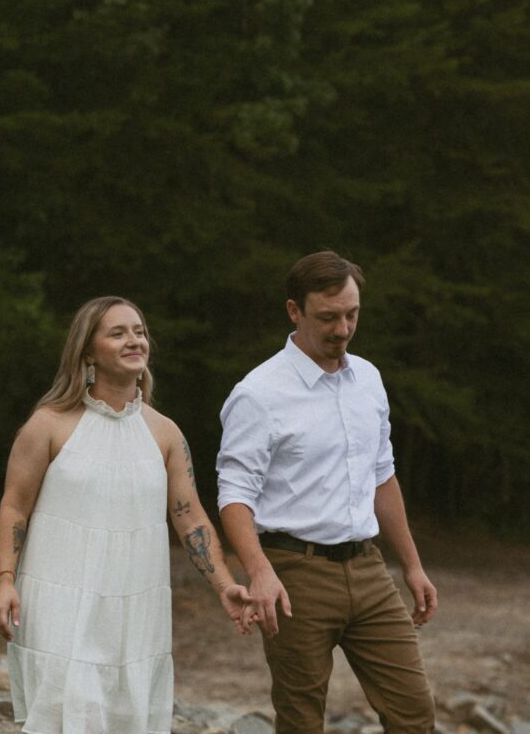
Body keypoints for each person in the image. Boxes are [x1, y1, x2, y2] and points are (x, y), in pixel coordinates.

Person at [0, 295, 252, 734]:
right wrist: (3, 580)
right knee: (68, 714)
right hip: (59, 599)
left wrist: (225, 585)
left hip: (135, 605)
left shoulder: (165, 432)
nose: (134, 340)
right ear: (88, 351)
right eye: (118, 333)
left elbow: (190, 518)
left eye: (139, 331)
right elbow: (14, 507)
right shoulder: (49, 424)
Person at [217, 251, 437, 734]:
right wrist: (259, 573)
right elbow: (234, 493)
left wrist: (413, 565)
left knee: (414, 713)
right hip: (295, 574)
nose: (342, 329)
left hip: (369, 568)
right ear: (294, 311)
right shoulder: (259, 393)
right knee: (300, 720)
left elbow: (383, 476)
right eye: (328, 317)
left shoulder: (369, 380)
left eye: (352, 314)